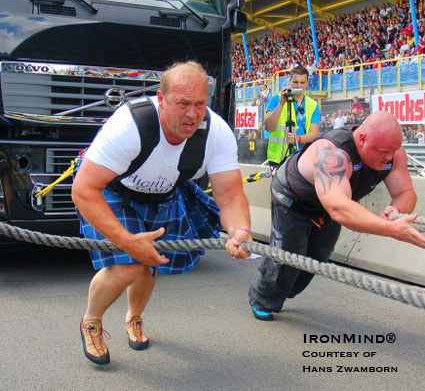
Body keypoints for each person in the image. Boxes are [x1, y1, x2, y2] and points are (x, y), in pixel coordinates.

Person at [72, 61, 252, 365]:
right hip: (112, 190)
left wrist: (240, 231)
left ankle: (134, 317)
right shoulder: (131, 125)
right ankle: (91, 320)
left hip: (165, 192)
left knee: (152, 263)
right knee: (130, 264)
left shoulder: (216, 132)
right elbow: (84, 190)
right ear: (161, 99)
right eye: (182, 103)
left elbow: (231, 194)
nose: (192, 114)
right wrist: (127, 241)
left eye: (199, 104)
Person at [249, 111, 425, 321]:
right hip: (293, 199)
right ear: (362, 138)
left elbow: (404, 192)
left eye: (393, 151)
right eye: (383, 151)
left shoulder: (393, 154)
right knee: (288, 257)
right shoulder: (333, 153)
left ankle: (284, 289)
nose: (389, 157)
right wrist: (389, 228)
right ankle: (262, 299)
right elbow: (339, 208)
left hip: (328, 205)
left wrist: (395, 211)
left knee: (317, 258)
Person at [265, 66, 320, 173]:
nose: (299, 86)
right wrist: (281, 104)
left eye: (302, 82)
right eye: (295, 82)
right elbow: (268, 126)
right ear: (290, 81)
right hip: (278, 158)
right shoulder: (276, 99)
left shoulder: (313, 105)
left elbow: (314, 133)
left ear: (307, 83)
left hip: (302, 157)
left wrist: (298, 139)